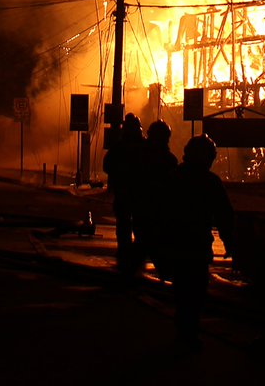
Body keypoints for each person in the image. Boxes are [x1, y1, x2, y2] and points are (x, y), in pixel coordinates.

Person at [154, 134, 235, 351]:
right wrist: (232, 244)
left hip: (178, 245)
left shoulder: (175, 178)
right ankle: (189, 333)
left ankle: (184, 332)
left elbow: (160, 214)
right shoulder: (210, 182)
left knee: (182, 292)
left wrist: (159, 247)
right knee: (196, 292)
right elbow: (224, 216)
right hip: (197, 247)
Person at [101, 112, 145, 276]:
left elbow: (107, 165)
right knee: (139, 223)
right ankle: (137, 253)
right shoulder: (144, 147)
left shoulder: (119, 147)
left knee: (124, 223)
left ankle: (125, 251)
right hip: (139, 192)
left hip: (125, 191)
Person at [135, 119, 179, 273]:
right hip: (158, 212)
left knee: (142, 244)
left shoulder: (140, 156)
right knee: (157, 249)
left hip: (143, 210)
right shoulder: (169, 160)